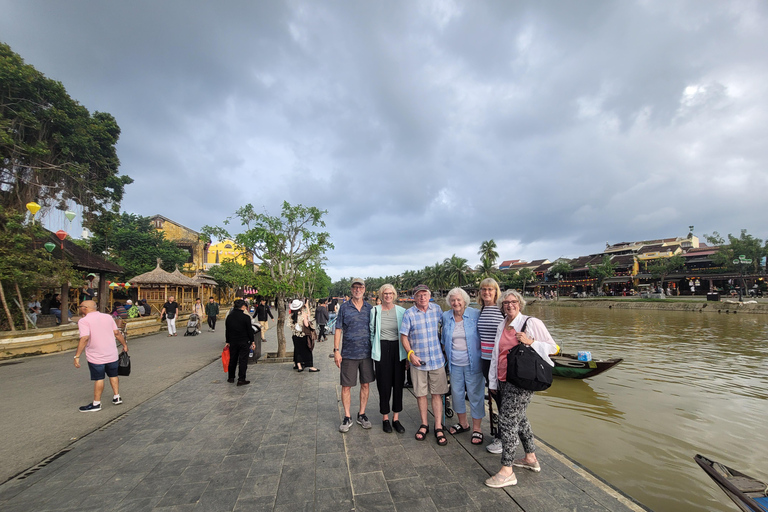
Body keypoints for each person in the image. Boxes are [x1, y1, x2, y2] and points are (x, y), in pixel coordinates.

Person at [485, 290, 557, 488]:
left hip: (521, 380)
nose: (509, 305)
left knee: (507, 421)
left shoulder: (531, 323)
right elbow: (495, 355)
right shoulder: (503, 324)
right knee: (521, 418)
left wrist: (531, 342)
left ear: (520, 303)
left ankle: (507, 470)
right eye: (506, 303)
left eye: (513, 302)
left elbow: (554, 348)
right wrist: (492, 382)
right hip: (503, 379)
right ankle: (531, 457)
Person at [400, 284, 448, 446]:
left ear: (429, 296)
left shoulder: (437, 310)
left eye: (425, 294)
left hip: (437, 359)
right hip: (418, 361)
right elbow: (404, 336)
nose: (422, 297)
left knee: (437, 394)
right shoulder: (409, 314)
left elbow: (447, 327)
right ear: (414, 297)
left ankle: (438, 425)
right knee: (421, 394)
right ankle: (424, 424)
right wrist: (410, 354)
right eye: (419, 295)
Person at [442, 287, 485, 445]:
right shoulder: (446, 316)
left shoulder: (475, 314)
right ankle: (463, 423)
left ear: (465, 301)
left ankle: (477, 429)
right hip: (454, 363)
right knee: (457, 393)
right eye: (453, 300)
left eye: (459, 300)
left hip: (473, 362)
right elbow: (442, 338)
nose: (456, 303)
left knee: (475, 394)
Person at [334, 278, 374, 433]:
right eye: (355, 287)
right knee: (346, 386)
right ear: (351, 289)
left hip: (366, 354)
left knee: (365, 384)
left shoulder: (370, 308)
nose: (358, 290)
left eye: (361, 287)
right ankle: (347, 416)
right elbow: (338, 329)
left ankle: (361, 414)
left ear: (364, 289)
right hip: (348, 354)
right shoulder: (344, 308)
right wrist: (336, 350)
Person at [73, 300, 128, 412]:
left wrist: (77, 355)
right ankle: (117, 396)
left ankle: (96, 403)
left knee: (99, 378)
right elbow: (117, 333)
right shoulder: (107, 317)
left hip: (96, 355)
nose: (79, 308)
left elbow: (84, 338)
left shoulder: (84, 321)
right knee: (113, 375)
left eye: (80, 306)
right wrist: (124, 345)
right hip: (111, 353)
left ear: (85, 308)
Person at [369, 284, 407, 433]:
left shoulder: (401, 311)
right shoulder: (375, 311)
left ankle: (396, 418)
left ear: (394, 295)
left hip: (398, 349)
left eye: (390, 293)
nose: (388, 296)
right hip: (382, 348)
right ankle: (385, 417)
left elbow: (405, 333)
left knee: (398, 383)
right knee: (383, 385)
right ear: (381, 295)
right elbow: (372, 331)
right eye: (385, 293)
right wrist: (374, 351)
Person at [477, 277, 506, 454]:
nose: (487, 292)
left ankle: (503, 437)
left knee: (503, 399)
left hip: (500, 361)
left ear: (496, 291)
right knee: (494, 395)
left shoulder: (503, 309)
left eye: (490, 289)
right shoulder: (481, 310)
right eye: (484, 289)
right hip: (485, 360)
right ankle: (502, 433)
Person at [224, 299, 256, 386]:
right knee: (242, 360)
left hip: (233, 341)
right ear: (243, 307)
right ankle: (241, 379)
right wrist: (252, 341)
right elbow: (250, 331)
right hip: (244, 341)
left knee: (233, 359)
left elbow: (227, 330)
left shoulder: (229, 317)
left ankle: (231, 377)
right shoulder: (245, 317)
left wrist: (227, 341)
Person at [290, 299, 319, 372]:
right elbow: (306, 324)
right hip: (303, 335)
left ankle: (298, 365)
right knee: (307, 350)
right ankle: (310, 366)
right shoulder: (302, 314)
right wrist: (307, 307)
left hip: (295, 335)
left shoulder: (292, 315)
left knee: (297, 350)